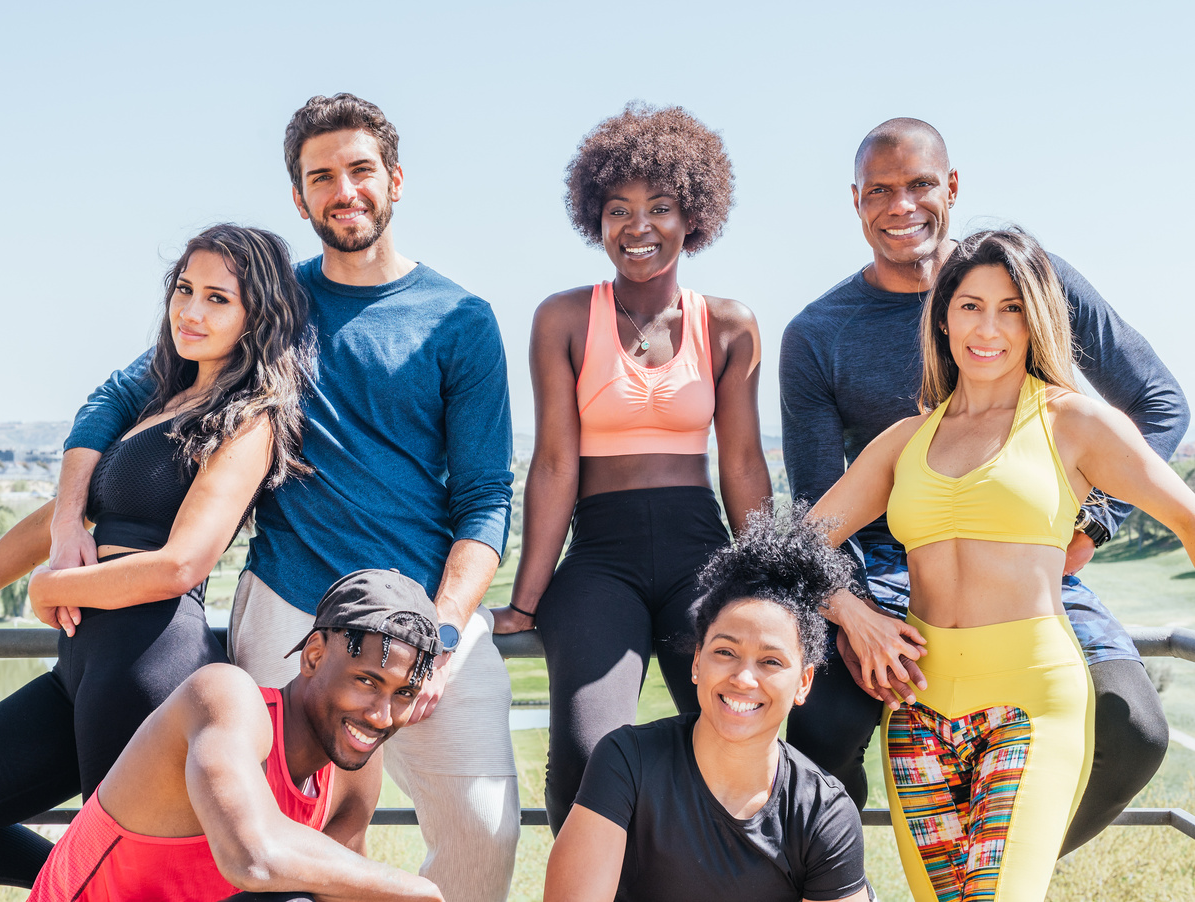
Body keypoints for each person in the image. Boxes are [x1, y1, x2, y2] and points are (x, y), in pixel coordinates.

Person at [48, 94, 518, 902]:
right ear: (299, 200)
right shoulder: (274, 304)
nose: (345, 190)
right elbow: (121, 392)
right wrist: (65, 521)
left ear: (396, 180)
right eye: (321, 177)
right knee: (282, 840)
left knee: (486, 830)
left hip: (430, 613)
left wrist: (443, 627)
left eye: (361, 170)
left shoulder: (461, 321)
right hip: (286, 602)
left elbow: (484, 498)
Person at [0, 225, 315, 889]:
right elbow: (52, 523)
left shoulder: (250, 417)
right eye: (185, 290)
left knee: (129, 880)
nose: (191, 311)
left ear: (258, 316)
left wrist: (50, 594)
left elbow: (182, 565)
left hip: (147, 664)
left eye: (219, 299)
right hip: (79, 671)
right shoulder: (158, 399)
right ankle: (74, 883)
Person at [779, 118, 1186, 853]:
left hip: (1034, 563)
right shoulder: (818, 334)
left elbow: (1160, 404)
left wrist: (1094, 524)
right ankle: (842, 879)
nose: (902, 206)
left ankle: (1001, 858)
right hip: (888, 577)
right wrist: (854, 614)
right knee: (823, 728)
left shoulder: (1037, 281)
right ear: (857, 202)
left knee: (1133, 725)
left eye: (920, 185)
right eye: (881, 191)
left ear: (953, 187)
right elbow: (813, 517)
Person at [493, 103, 772, 832]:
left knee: (733, 738)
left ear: (694, 217)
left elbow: (742, 466)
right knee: (587, 752)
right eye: (619, 209)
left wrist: (774, 588)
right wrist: (526, 600)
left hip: (702, 556)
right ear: (595, 217)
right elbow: (554, 464)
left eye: (661, 207)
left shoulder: (731, 325)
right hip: (601, 559)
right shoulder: (562, 318)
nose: (638, 226)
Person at [28, 569, 446, 902]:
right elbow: (252, 860)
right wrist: (421, 891)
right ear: (314, 656)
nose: (380, 715)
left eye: (404, 693)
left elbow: (346, 892)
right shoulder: (224, 697)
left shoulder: (354, 767)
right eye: (367, 681)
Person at [544, 507, 869, 902]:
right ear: (697, 661)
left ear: (803, 683)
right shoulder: (625, 762)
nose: (743, 678)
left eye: (771, 661)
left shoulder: (825, 813)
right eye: (725, 652)